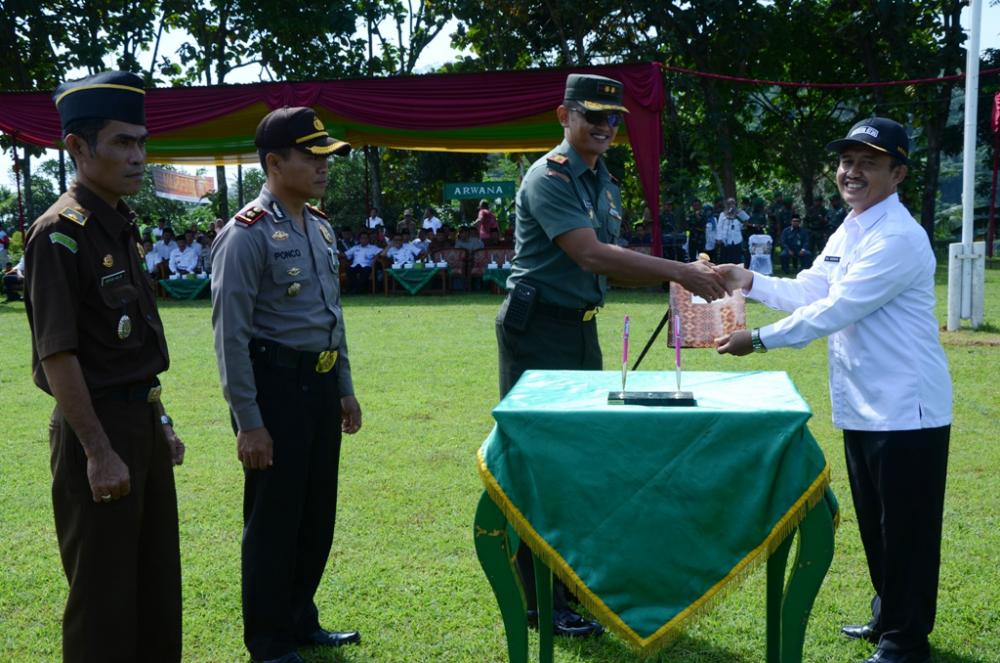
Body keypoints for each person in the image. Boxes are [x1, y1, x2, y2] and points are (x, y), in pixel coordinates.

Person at [497, 73, 728, 639]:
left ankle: (573, 586)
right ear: (564, 116)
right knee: (541, 461)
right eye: (592, 115)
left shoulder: (604, 182)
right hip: (537, 334)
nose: (604, 126)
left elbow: (607, 259)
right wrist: (678, 272)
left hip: (579, 332)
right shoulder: (547, 177)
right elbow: (591, 254)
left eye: (613, 118)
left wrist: (680, 277)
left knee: (579, 458)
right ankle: (540, 601)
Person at [715, 118, 951, 663]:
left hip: (906, 409)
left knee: (907, 529)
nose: (852, 171)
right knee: (876, 520)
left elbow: (838, 309)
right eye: (847, 161)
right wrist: (746, 279)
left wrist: (761, 339)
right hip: (866, 403)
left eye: (868, 162)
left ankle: (906, 640)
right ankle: (887, 615)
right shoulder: (851, 227)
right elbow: (811, 288)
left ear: (898, 172)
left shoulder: (898, 237)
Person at [22, 70, 185, 662]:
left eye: (142, 142)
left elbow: (131, 349)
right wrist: (97, 450)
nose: (138, 156)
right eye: (122, 142)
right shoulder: (59, 235)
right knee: (104, 597)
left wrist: (159, 419)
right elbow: (57, 354)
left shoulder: (119, 226)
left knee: (155, 583)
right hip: (96, 429)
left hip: (136, 422)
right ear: (77, 148)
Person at [211, 106, 363, 663]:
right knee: (274, 521)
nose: (324, 165)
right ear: (274, 163)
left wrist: (343, 385)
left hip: (320, 388)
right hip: (275, 390)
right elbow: (231, 336)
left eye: (326, 154)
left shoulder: (318, 225)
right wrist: (249, 421)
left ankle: (301, 619)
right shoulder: (246, 234)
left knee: (316, 513)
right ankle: (270, 641)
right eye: (311, 155)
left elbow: (332, 314)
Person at [344, 230, 382, 294]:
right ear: (359, 239)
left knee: (365, 272)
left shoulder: (373, 247)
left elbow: (381, 252)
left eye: (365, 238)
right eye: (362, 238)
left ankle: (356, 290)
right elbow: (346, 254)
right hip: (355, 265)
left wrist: (376, 257)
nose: (364, 239)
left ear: (368, 239)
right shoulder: (355, 247)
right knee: (349, 270)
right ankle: (356, 289)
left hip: (367, 266)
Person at [717, 197, 748, 265]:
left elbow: (746, 221)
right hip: (725, 241)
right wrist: (719, 238)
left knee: (736, 260)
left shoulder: (739, 213)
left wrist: (740, 213)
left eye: (733, 203)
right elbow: (719, 227)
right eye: (729, 204)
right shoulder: (722, 214)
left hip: (737, 240)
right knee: (725, 260)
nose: (731, 205)